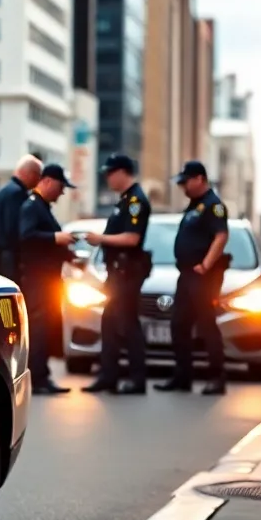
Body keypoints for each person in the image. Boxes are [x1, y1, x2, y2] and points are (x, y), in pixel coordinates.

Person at [156, 160, 230, 395]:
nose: (183, 187)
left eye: (186, 181)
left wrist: (206, 265)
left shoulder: (213, 205)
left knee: (207, 325)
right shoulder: (194, 205)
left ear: (199, 179)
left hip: (202, 277)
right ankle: (182, 376)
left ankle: (216, 378)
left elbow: (221, 236)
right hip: (187, 274)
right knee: (179, 324)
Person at [83, 154, 152, 395]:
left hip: (127, 274)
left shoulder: (136, 201)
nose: (108, 178)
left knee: (128, 324)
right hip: (117, 274)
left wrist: (100, 238)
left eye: (111, 173)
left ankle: (136, 379)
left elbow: (132, 238)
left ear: (123, 172)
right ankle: (108, 376)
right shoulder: (123, 201)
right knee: (110, 323)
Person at [18, 163, 77, 394]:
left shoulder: (42, 206)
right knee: (40, 327)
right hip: (37, 280)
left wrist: (69, 255)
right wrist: (56, 237)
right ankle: (39, 378)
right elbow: (28, 236)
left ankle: (42, 375)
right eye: (61, 187)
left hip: (47, 279)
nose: (62, 193)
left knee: (46, 326)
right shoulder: (32, 206)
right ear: (48, 181)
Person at [0, 155, 44, 281]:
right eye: (37, 175)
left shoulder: (5, 190)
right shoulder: (17, 194)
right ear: (29, 173)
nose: (38, 180)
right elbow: (13, 229)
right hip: (11, 258)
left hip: (1, 255)